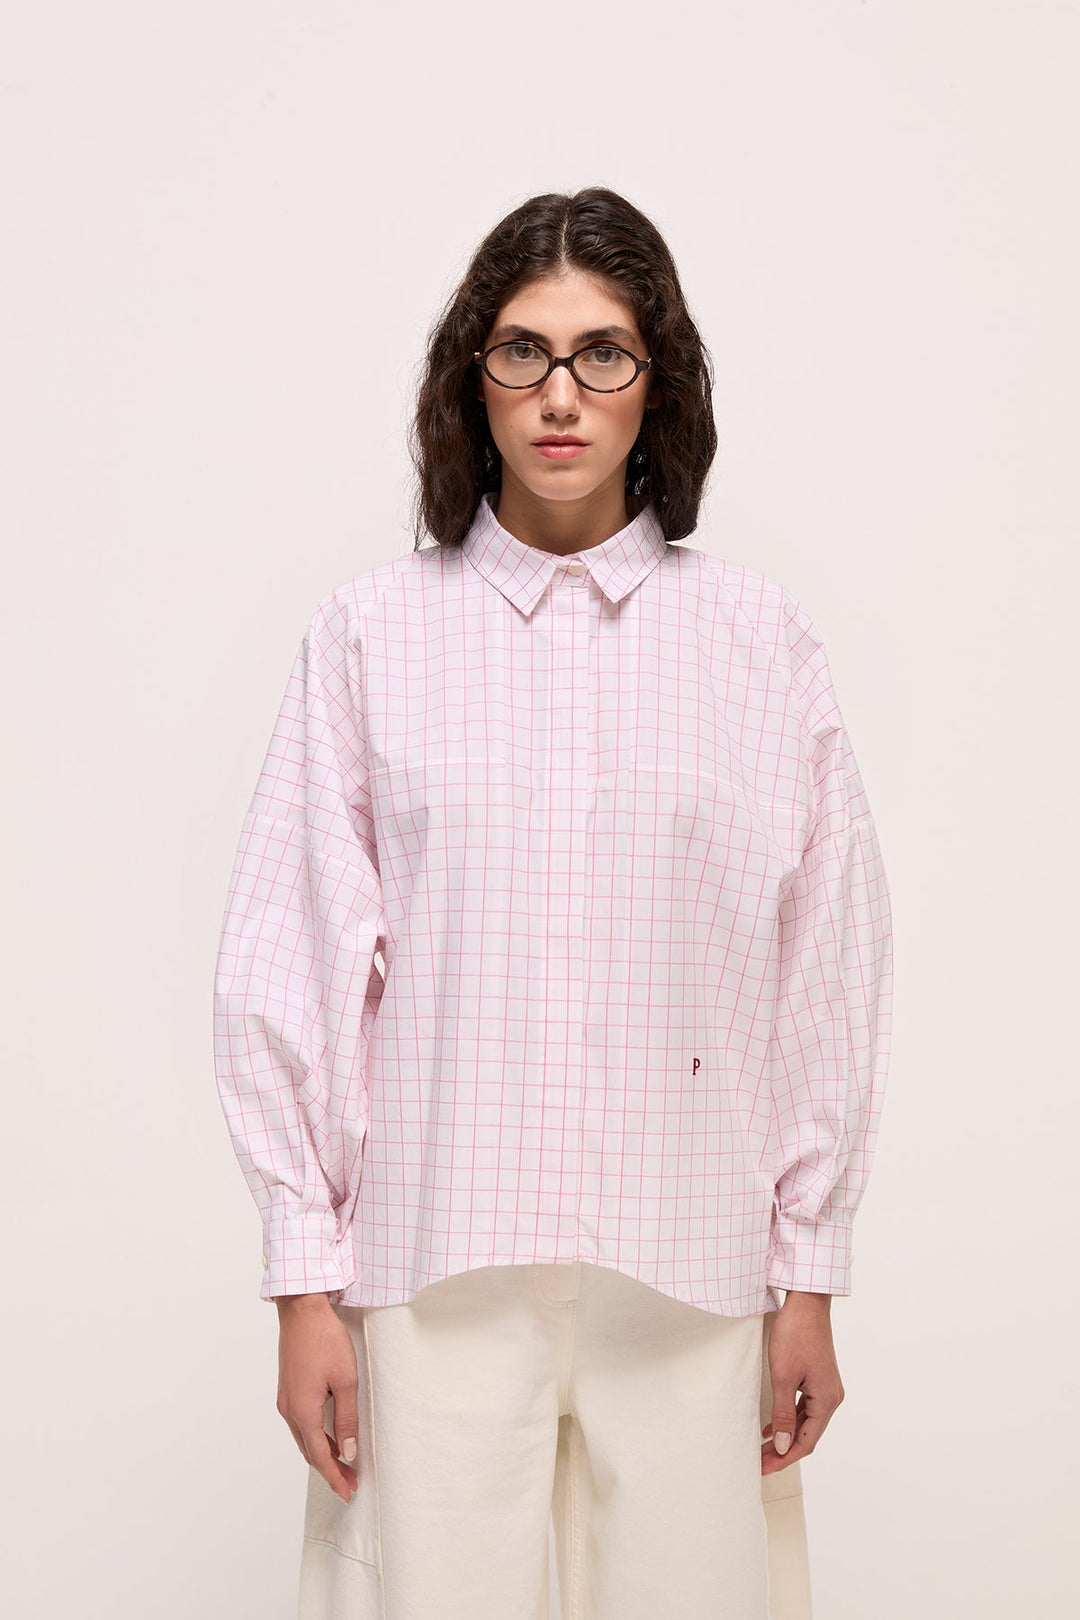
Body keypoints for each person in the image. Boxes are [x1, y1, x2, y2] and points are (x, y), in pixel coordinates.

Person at [213, 186, 893, 1620]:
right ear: (474, 376)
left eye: (604, 353)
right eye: (523, 351)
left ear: (660, 382)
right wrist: (303, 1285)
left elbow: (823, 964)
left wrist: (810, 1271)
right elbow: (290, 960)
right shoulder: (371, 636)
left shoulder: (758, 643)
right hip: (438, 1268)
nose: (562, 394)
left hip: (692, 1272)